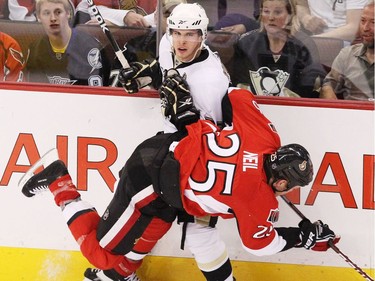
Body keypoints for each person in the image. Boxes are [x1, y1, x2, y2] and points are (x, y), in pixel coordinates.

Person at [19, 87, 340, 281]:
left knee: (159, 221)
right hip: (148, 177)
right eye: (290, 187)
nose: (288, 194)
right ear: (281, 181)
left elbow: (236, 95)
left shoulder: (266, 135)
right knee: (102, 253)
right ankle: (60, 182)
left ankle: (118, 275)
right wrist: (304, 236)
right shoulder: (259, 200)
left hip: (169, 166)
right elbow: (261, 244)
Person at [230, 0, 326, 98]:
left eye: (278, 12)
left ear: (290, 15)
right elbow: (238, 85)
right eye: (266, 11)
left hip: (294, 109)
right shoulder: (246, 44)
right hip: (253, 108)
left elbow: (313, 86)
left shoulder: (304, 45)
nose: (271, 18)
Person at [25, 0, 111, 86]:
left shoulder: (90, 49)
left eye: (58, 12)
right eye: (46, 13)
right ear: (38, 17)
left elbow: (95, 95)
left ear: (68, 13)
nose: (53, 18)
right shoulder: (35, 49)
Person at [320, 0, 374, 101]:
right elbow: (328, 85)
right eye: (362, 21)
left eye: (373, 22)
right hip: (351, 114)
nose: (365, 28)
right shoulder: (347, 55)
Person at [294, 0, 367, 43]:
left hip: (348, 43)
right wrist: (305, 17)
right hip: (317, 40)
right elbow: (299, 5)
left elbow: (355, 28)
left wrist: (313, 41)